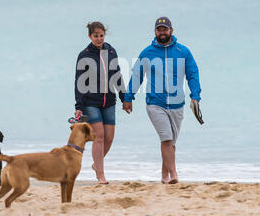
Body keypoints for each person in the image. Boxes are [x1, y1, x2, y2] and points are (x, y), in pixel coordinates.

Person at [122, 17, 201, 184]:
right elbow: (137, 76)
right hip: (155, 103)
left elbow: (193, 74)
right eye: (159, 29)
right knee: (166, 139)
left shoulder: (183, 51)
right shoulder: (147, 53)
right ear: (155, 32)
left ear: (171, 30)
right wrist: (128, 97)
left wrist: (195, 95)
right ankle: (174, 175)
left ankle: (164, 177)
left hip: (177, 104)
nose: (162, 32)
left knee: (170, 143)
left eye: (165, 29)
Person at [74, 21, 126, 184]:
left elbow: (117, 74)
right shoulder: (85, 55)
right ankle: (101, 175)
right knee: (99, 137)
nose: (99, 38)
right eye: (95, 36)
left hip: (109, 100)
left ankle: (97, 164)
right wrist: (79, 107)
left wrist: (125, 98)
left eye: (101, 35)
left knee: (109, 138)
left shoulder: (111, 51)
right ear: (90, 36)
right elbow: (79, 82)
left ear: (105, 35)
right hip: (91, 102)